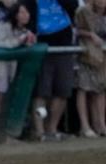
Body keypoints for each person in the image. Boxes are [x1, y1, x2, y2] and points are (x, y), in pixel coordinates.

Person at [0, 2, 35, 144]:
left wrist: (27, 41)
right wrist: (17, 41)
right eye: (22, 12)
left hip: (6, 70)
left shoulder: (24, 30)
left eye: (27, 13)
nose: (25, 15)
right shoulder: (3, 25)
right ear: (15, 15)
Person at [22, 0, 78, 140]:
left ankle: (52, 129)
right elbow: (25, 17)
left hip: (64, 45)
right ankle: (39, 131)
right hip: (41, 46)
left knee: (63, 90)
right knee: (41, 91)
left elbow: (74, 7)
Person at [74, 0, 106, 137]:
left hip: (102, 55)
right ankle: (85, 126)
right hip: (86, 53)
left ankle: (100, 124)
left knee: (100, 89)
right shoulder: (83, 11)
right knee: (84, 88)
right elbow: (76, 30)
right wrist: (90, 35)